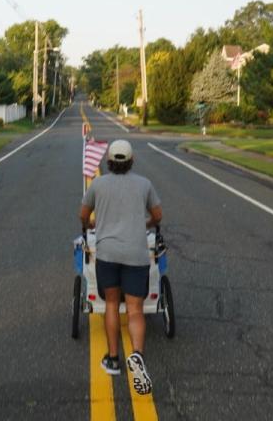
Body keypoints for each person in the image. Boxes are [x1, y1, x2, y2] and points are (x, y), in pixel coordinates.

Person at [80, 139, 163, 396]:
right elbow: (158, 216)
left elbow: (83, 215)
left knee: (112, 305)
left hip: (107, 254)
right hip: (136, 254)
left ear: (108, 161)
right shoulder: (144, 184)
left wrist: (92, 224)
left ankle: (113, 360)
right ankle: (137, 357)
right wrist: (145, 225)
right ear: (131, 161)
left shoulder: (98, 184)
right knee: (136, 310)